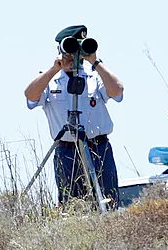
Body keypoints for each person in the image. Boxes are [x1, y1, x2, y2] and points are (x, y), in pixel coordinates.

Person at [25, 25, 124, 207]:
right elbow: (30, 96)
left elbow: (117, 90)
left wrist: (95, 62)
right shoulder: (50, 79)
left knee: (109, 202)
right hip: (67, 151)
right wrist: (54, 69)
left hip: (98, 148)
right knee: (72, 206)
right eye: (70, 49)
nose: (73, 56)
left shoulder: (95, 76)